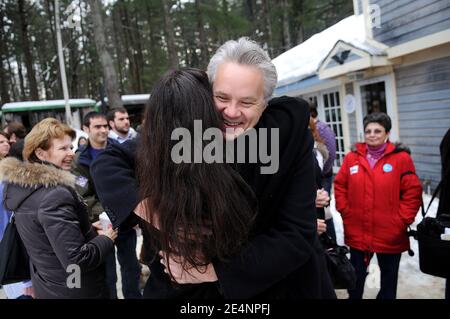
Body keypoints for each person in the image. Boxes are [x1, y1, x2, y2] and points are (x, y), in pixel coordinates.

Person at [92, 38, 335, 299]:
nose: (231, 112)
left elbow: (296, 235)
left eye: (246, 102)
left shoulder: (285, 138)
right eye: (222, 97)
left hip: (274, 288)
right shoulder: (192, 128)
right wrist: (153, 209)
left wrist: (213, 270)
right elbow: (109, 162)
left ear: (265, 103)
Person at [0, 118, 117, 298]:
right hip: (74, 290)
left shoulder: (26, 188)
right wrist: (106, 239)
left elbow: (44, 239)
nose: (71, 153)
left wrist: (85, 230)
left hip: (50, 286)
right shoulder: (54, 195)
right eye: (63, 148)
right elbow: (76, 261)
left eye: (71, 147)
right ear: (40, 153)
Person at [334, 112, 422, 299]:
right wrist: (345, 210)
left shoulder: (401, 159)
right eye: (368, 131)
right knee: (355, 278)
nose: (372, 135)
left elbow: (413, 192)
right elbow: (340, 184)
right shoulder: (352, 158)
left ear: (387, 134)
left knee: (388, 281)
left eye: (377, 131)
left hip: (389, 233)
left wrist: (401, 220)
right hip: (358, 230)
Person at [72, 112, 142, 299]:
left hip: (125, 221)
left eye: (105, 126)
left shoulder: (122, 151)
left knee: (131, 266)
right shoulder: (80, 160)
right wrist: (107, 214)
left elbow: (132, 183)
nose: (103, 130)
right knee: (107, 272)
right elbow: (84, 196)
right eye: (97, 127)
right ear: (86, 129)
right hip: (102, 227)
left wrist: (129, 211)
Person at [309, 104, 337, 241]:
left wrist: (322, 173)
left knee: (323, 209)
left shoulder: (322, 128)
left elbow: (331, 153)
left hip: (322, 176)